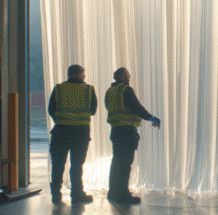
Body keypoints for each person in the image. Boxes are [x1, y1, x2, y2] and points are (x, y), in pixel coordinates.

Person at [105, 67, 161, 204]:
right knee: (125, 164)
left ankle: (113, 192)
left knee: (116, 162)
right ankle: (123, 195)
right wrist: (151, 118)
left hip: (115, 131)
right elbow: (136, 107)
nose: (129, 78)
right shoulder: (126, 90)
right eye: (128, 76)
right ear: (124, 76)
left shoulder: (110, 91)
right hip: (127, 132)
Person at [48, 64, 98, 204]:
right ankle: (77, 194)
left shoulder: (59, 88)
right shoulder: (89, 89)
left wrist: (59, 119)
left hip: (60, 132)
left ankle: (56, 194)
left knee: (58, 164)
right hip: (80, 133)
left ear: (69, 74)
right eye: (84, 73)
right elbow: (93, 111)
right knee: (76, 165)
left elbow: (51, 109)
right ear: (81, 74)